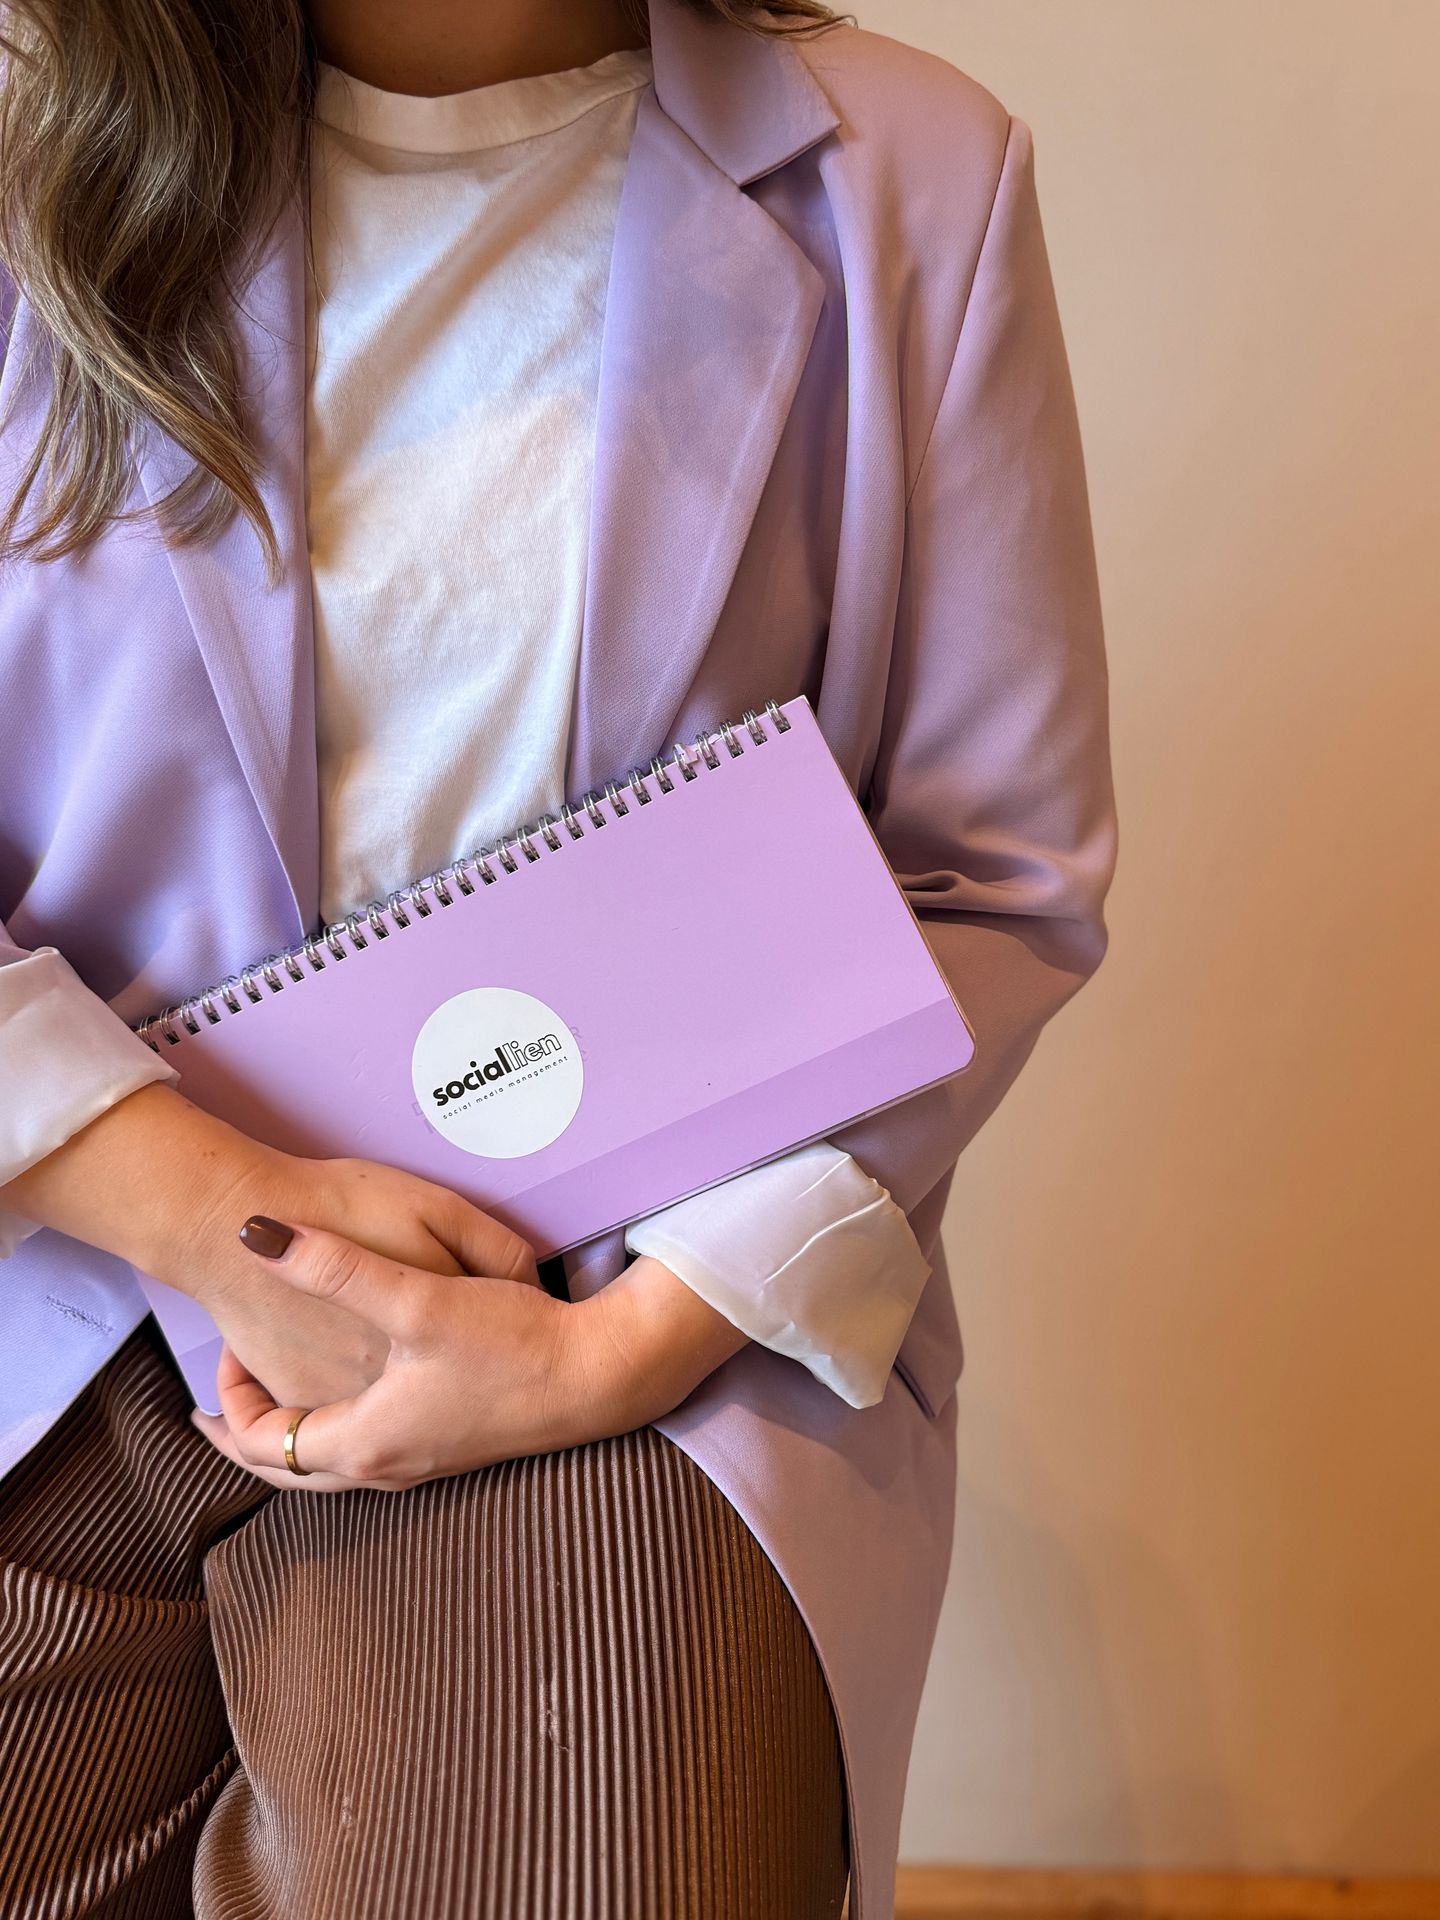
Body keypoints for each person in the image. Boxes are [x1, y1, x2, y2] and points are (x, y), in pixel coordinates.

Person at [0, 0, 1118, 1914]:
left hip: (610, 1307)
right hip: (57, 1278)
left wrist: (613, 1349)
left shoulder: (909, 176)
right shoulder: (32, 146)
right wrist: (214, 1214)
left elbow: (987, 883)